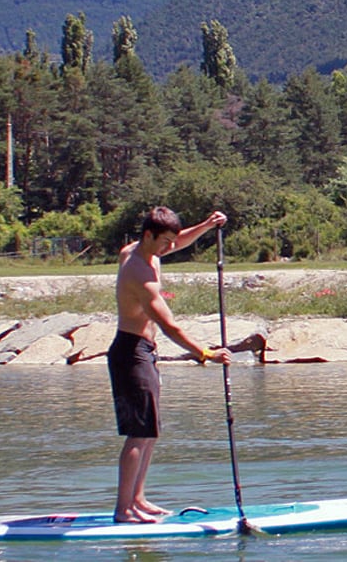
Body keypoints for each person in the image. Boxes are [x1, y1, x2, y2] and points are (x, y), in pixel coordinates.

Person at [110, 206, 230, 524]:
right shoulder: (139, 272)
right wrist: (205, 353)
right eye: (165, 242)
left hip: (144, 352)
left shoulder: (145, 251)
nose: (170, 248)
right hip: (131, 353)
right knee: (138, 434)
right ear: (149, 235)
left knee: (150, 431)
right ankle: (123, 509)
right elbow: (169, 327)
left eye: (171, 242)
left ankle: (138, 498)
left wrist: (206, 225)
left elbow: (180, 240)